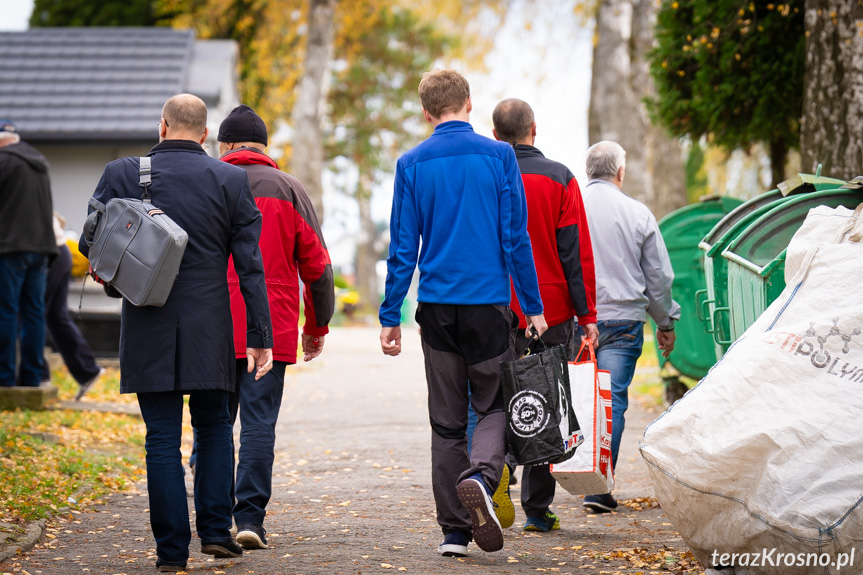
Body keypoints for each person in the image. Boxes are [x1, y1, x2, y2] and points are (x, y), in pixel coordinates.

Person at [79, 94, 274, 573]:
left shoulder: (122, 172)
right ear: (206, 135)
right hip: (211, 327)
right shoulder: (230, 179)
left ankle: (171, 553)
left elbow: (90, 239)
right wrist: (260, 334)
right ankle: (214, 533)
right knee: (213, 429)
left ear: (162, 126)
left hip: (147, 322)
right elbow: (251, 266)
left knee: (161, 438)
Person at [378, 69, 548, 558]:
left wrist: (391, 315)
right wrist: (532, 308)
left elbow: (403, 247)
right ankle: (481, 475)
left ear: (427, 113)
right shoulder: (498, 156)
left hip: (436, 308)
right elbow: (516, 238)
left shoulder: (411, 163)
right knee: (492, 405)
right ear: (469, 104)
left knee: (446, 422)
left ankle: (453, 532)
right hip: (488, 306)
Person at [217, 104, 334, 550]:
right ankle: (250, 518)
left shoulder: (210, 181)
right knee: (259, 423)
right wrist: (317, 325)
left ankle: (213, 514)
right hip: (271, 325)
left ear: (225, 145)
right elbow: (318, 267)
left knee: (214, 422)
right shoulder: (289, 188)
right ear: (265, 148)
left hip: (213, 325)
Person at [491, 98, 599, 532]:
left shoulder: (490, 173)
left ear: (495, 134)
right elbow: (575, 253)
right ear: (534, 128)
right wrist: (587, 312)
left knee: (495, 395)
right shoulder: (561, 178)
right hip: (551, 310)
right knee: (546, 400)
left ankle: (495, 466)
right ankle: (536, 509)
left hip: (496, 304)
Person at [580, 140, 679, 513]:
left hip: (578, 319)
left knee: (577, 401)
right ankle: (598, 489)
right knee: (612, 401)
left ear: (588, 170)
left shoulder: (569, 206)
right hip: (623, 320)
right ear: (620, 173)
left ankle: (558, 485)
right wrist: (665, 321)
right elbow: (657, 276)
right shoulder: (638, 213)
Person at [0, 119, 57, 388]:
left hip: (11, 248)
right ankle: (33, 376)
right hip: (42, 248)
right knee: (34, 312)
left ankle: (4, 377)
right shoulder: (39, 161)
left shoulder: (4, 162)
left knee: (6, 311)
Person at [42, 212, 104, 400]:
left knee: (31, 315)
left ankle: (38, 375)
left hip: (49, 254)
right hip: (61, 252)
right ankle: (87, 370)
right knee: (55, 316)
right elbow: (60, 219)